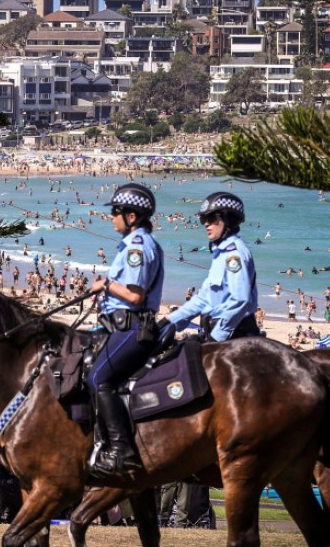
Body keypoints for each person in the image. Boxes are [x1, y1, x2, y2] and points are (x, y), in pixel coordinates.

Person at [85, 183, 164, 481]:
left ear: (132, 217)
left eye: (115, 212)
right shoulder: (132, 244)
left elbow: (134, 296)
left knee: (97, 377)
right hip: (119, 325)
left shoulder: (137, 247)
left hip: (133, 327)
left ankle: (121, 449)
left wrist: (105, 284)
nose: (111, 217)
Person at [165, 191, 259, 343]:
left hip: (235, 337)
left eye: (211, 218)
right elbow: (204, 299)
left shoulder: (233, 254)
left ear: (228, 220)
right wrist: (169, 322)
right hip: (215, 332)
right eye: (203, 219)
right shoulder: (221, 253)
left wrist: (216, 338)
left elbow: (240, 300)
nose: (206, 223)